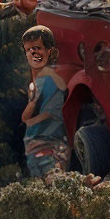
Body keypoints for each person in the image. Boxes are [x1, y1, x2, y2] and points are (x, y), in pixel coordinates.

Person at [21, 26, 70, 179]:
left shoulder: (51, 80)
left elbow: (52, 114)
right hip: (35, 144)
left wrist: (30, 119)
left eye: (37, 48)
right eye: (28, 50)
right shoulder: (38, 79)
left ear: (49, 51)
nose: (33, 54)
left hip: (48, 145)